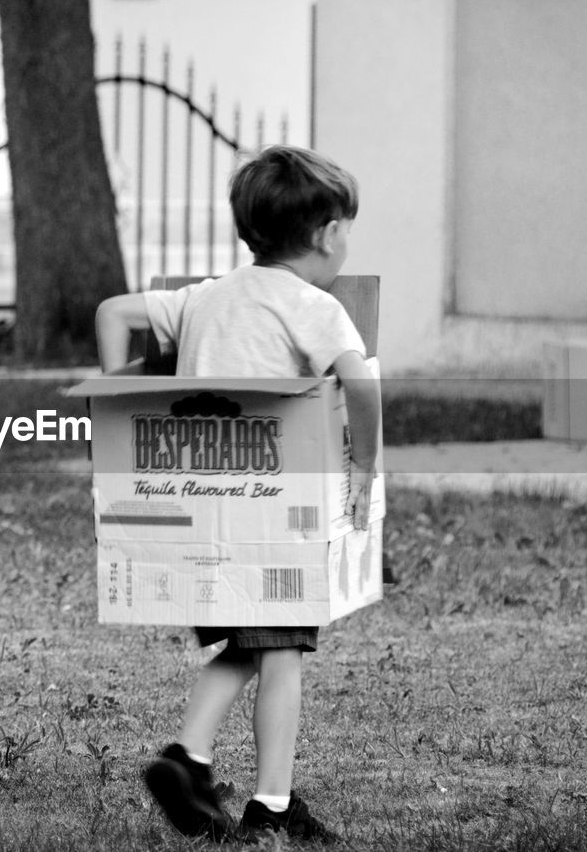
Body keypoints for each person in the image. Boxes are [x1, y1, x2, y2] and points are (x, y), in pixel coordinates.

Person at [94, 145, 381, 843]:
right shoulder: (314, 307)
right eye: (346, 224)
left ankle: (193, 760)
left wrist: (127, 397)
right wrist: (364, 467)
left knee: (250, 647)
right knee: (280, 655)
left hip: (201, 512)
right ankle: (258, 797)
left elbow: (113, 312)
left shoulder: (206, 295)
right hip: (277, 515)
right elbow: (363, 384)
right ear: (325, 234)